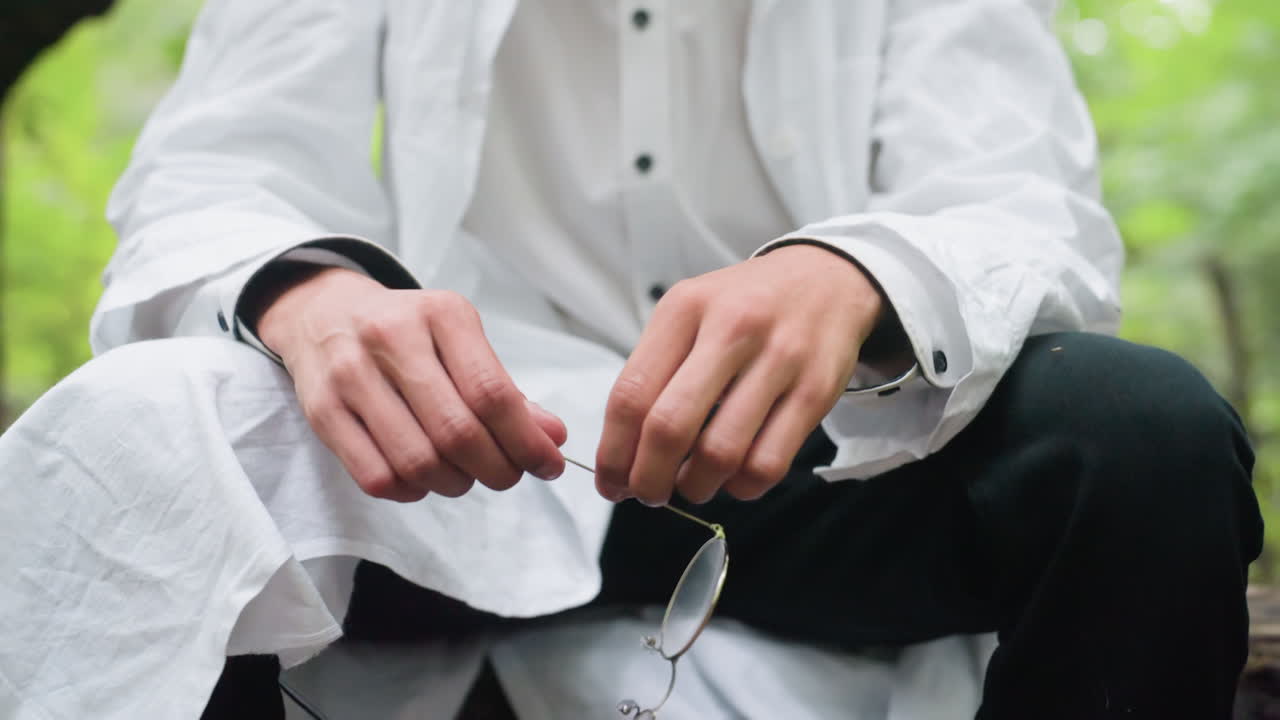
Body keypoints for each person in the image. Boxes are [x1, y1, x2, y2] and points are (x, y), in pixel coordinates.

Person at [0, 0, 1263, 718]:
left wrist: (853, 274)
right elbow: (216, 166)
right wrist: (310, 291)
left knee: (1139, 430)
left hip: (819, 480)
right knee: (142, 424)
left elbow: (1022, 203)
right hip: (456, 475)